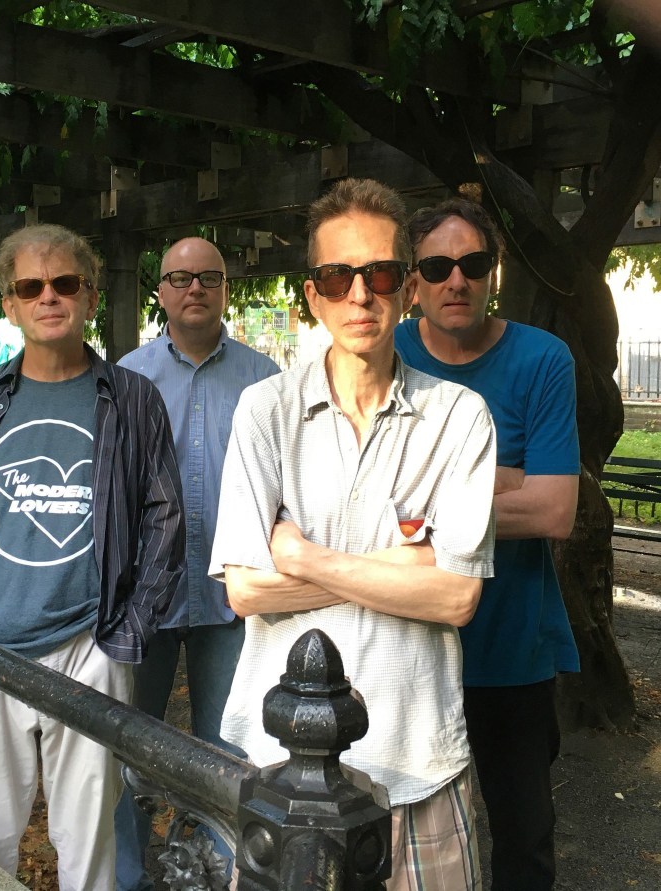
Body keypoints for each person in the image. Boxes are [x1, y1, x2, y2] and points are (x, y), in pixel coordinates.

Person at [210, 178, 498, 890]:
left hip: (419, 760)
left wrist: (302, 556)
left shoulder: (459, 416)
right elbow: (245, 589)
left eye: (381, 274)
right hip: (284, 768)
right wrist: (405, 567)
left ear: (407, 288)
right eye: (338, 277)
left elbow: (457, 597)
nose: (360, 296)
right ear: (313, 296)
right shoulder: (265, 410)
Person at [0, 223, 184, 891]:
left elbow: (165, 519)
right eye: (30, 286)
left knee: (89, 845)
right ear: (10, 304)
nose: (48, 296)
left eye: (65, 283)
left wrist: (126, 635)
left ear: (90, 296)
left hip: (89, 647)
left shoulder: (131, 399)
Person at [395, 197, 579, 890]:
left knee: (523, 841)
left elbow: (554, 510)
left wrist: (424, 497)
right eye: (436, 267)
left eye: (473, 264)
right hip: (406, 644)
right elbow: (358, 497)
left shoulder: (543, 358)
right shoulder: (386, 352)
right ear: (412, 281)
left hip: (512, 647)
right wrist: (503, 475)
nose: (456, 280)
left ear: (493, 272)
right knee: (398, 836)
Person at [114, 237, 279, 889]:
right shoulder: (126, 377)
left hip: (232, 601)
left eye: (209, 277)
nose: (195, 289)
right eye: (180, 278)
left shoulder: (266, 378)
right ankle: (129, 876)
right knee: (127, 748)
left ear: (225, 289)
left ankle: (219, 875)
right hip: (144, 599)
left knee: (229, 755)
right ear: (160, 292)